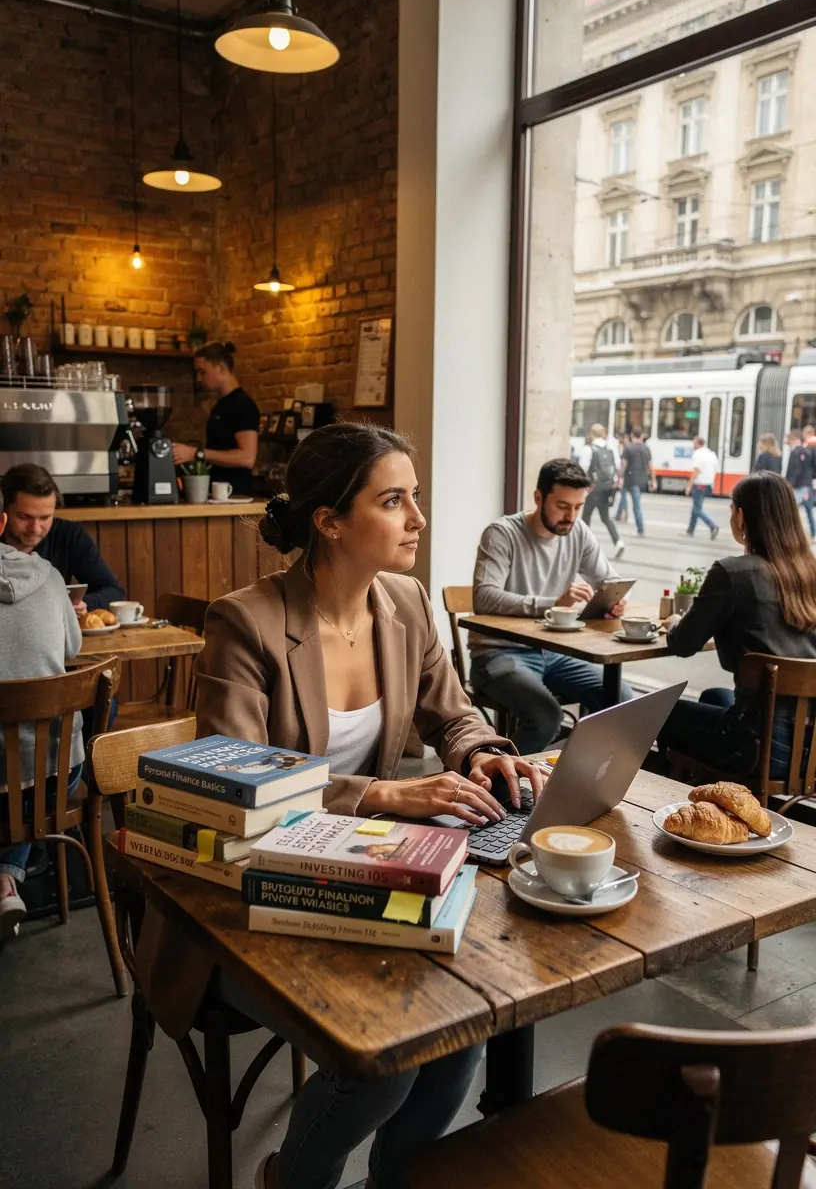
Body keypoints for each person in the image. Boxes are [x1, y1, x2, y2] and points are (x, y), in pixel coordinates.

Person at [135, 422, 544, 1189]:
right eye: (394, 501)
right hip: (240, 900)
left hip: (361, 869)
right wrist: (380, 793)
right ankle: (291, 1180)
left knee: (460, 1028)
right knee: (385, 1060)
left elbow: (454, 714)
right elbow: (238, 780)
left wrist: (480, 752)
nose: (418, 518)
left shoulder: (407, 602)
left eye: (415, 497)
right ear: (328, 521)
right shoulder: (246, 621)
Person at [469, 458, 632, 755]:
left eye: (578, 507)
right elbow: (485, 597)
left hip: (554, 653)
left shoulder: (578, 532)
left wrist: (616, 599)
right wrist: (552, 605)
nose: (571, 516)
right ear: (538, 498)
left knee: (620, 697)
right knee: (546, 717)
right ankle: (494, 778)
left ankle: (578, 774)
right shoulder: (502, 533)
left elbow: (610, 580)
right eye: (562, 506)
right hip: (498, 653)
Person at [657, 471, 816, 776]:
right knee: (714, 696)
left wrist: (676, 622)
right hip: (810, 752)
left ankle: (670, 796)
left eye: (731, 509)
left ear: (741, 516)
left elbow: (684, 644)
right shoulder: (810, 572)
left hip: (757, 749)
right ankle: (714, 794)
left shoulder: (733, 574)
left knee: (658, 711)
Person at [0, 482, 84, 939]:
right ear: (3, 521)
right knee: (24, 779)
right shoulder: (51, 576)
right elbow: (72, 648)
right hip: (57, 770)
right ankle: (7, 879)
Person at [0, 463, 124, 617]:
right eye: (24, 517)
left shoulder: (69, 535)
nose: (35, 528)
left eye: (45, 518)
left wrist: (83, 604)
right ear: (3, 512)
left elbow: (113, 592)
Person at [171, 340, 260, 496]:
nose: (199, 379)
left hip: (235, 496)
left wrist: (196, 453)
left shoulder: (242, 405)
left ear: (221, 368)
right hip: (218, 495)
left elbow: (247, 458)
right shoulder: (220, 406)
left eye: (202, 372)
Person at [578, 424, 625, 558]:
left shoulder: (588, 449)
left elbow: (583, 469)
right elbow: (617, 467)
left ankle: (585, 548)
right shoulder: (611, 449)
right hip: (607, 487)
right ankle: (618, 542)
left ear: (591, 434)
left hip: (592, 488)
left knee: (585, 517)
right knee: (605, 517)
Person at [616, 425, 655, 537]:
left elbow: (623, 465)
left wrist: (619, 477)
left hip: (631, 480)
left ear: (632, 435)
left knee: (636, 505)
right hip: (643, 480)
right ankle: (624, 516)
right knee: (636, 503)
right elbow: (650, 466)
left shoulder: (628, 448)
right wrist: (653, 480)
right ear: (642, 435)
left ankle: (640, 529)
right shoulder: (646, 448)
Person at [685, 437, 720, 539]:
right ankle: (690, 530)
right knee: (696, 507)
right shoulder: (711, 454)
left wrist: (689, 486)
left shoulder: (697, 454)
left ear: (697, 444)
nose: (693, 445)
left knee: (697, 509)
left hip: (700, 483)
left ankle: (713, 526)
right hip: (709, 484)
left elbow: (696, 471)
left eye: (694, 443)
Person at [784, 430, 816, 540]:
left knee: (791, 509)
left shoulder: (796, 452)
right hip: (806, 485)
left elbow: (795, 470)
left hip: (798, 486)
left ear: (795, 439)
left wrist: (790, 484)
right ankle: (813, 533)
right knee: (808, 510)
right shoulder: (807, 451)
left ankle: (790, 533)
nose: (787, 442)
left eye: (789, 439)